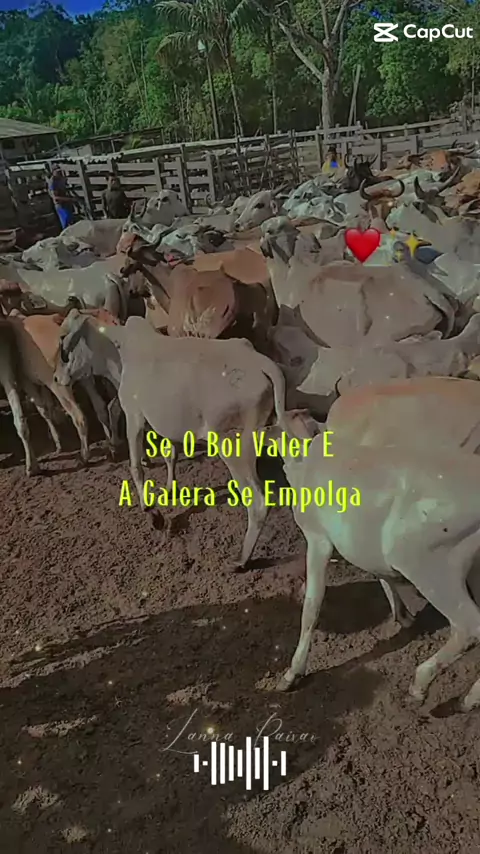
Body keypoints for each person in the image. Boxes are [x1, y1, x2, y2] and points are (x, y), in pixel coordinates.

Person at [48, 164, 75, 229]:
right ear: (53, 172)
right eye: (57, 171)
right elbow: (55, 197)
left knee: (70, 219)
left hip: (66, 203)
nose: (59, 172)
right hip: (60, 204)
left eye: (59, 171)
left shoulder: (61, 178)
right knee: (65, 220)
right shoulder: (52, 182)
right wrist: (70, 199)